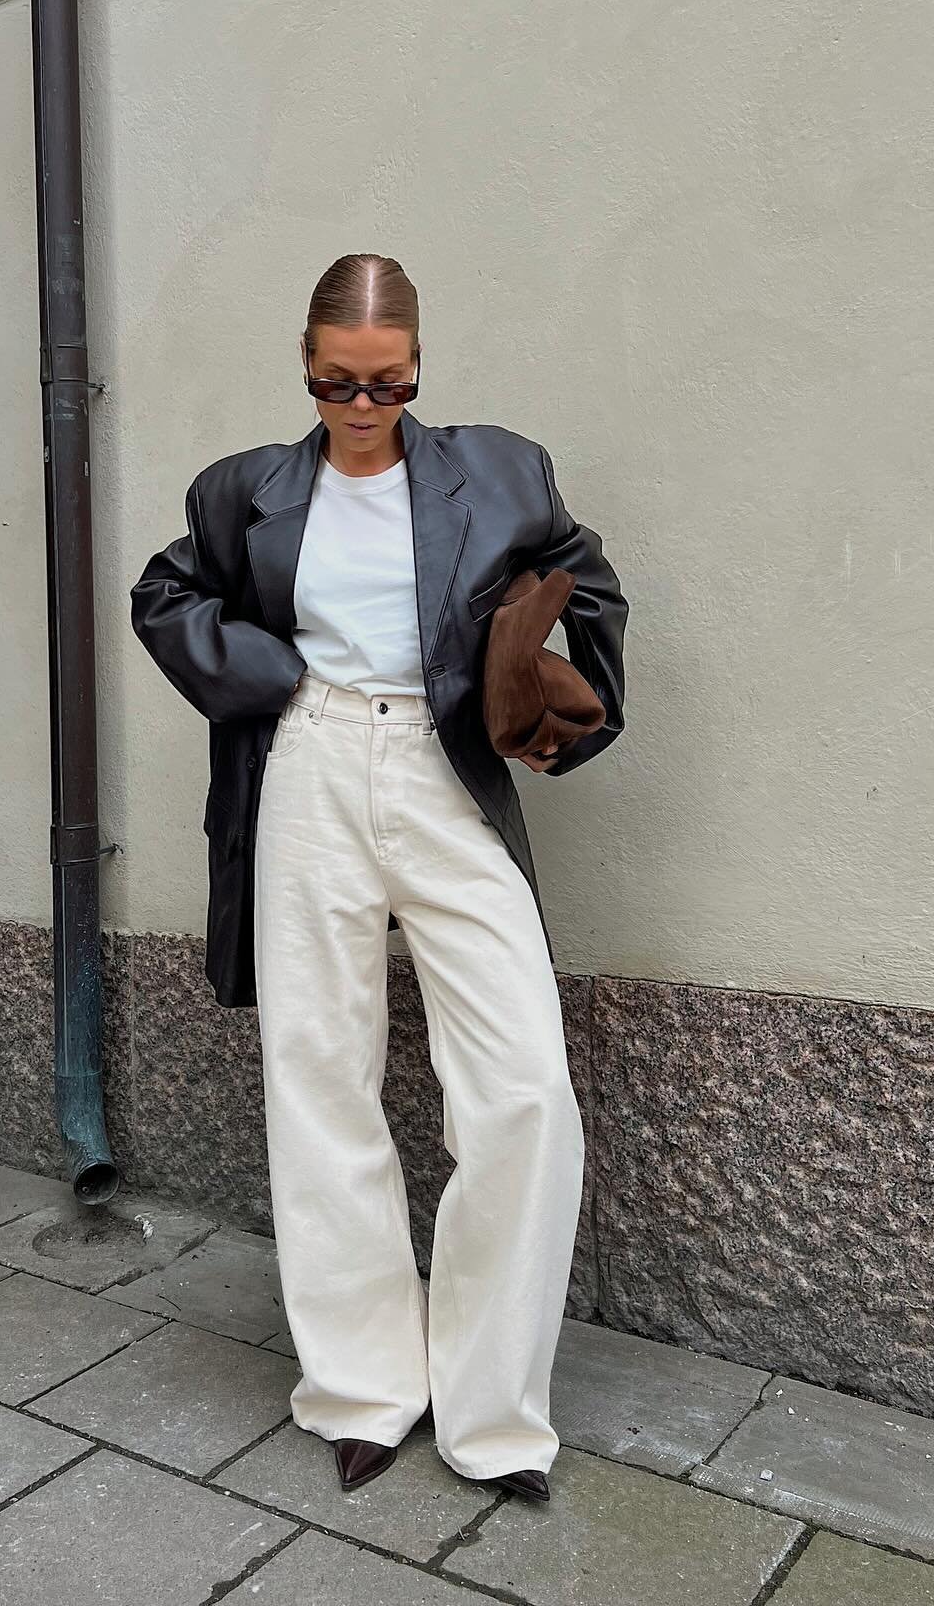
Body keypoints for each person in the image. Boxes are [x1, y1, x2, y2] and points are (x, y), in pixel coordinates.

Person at [130, 253, 628, 1504]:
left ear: (419, 364)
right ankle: (362, 1387)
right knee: (319, 1077)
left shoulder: (502, 470)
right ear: (305, 366)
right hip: (307, 763)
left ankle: (493, 1410)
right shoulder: (246, 489)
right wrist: (266, 674)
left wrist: (564, 695)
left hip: (441, 770)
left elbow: (591, 581)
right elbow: (166, 590)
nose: (362, 406)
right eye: (335, 383)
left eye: (387, 382)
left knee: (524, 1091)